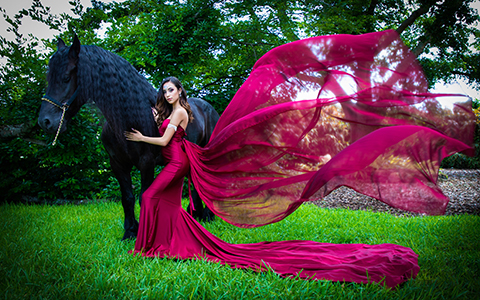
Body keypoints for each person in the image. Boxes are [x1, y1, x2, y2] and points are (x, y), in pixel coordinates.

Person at [125, 30, 475, 289]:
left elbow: (165, 140)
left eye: (172, 89)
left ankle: (156, 244)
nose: (167, 92)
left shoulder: (182, 114)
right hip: (178, 160)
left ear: (180, 92)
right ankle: (164, 243)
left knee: (149, 196)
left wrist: (143, 137)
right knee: (162, 200)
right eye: (164, 90)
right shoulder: (170, 111)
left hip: (176, 162)